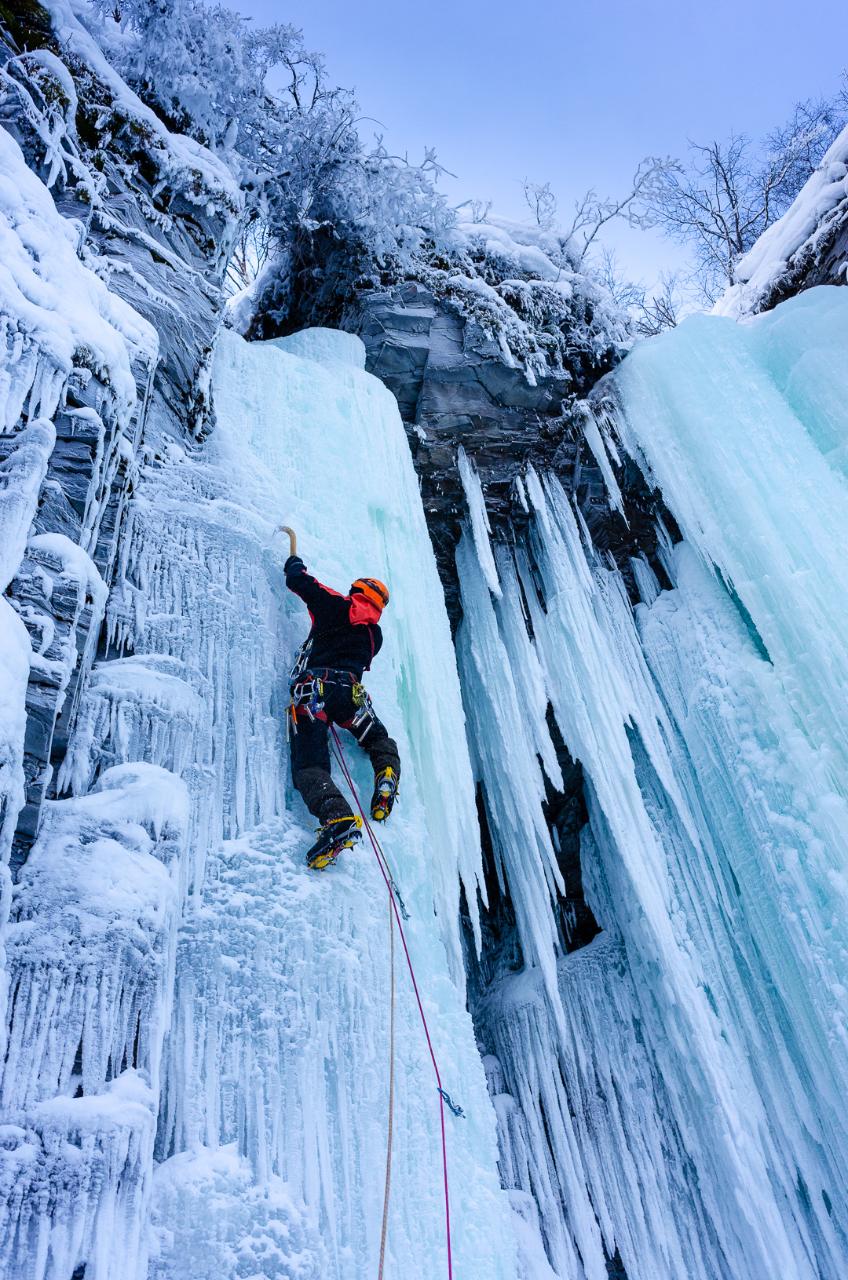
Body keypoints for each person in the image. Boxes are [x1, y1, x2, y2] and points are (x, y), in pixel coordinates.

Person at [280, 528, 401, 870]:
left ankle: (337, 817)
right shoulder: (373, 635)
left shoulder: (335, 604)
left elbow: (301, 583)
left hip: (314, 691)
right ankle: (386, 775)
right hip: (350, 695)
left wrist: (294, 563)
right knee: (377, 738)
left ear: (356, 592)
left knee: (310, 764)